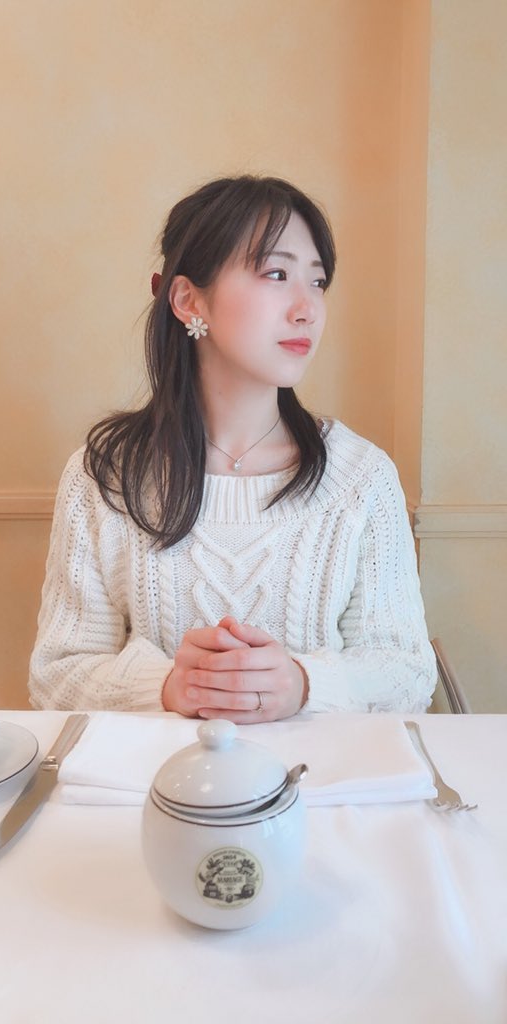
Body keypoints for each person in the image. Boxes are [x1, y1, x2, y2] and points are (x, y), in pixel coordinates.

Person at [28, 174, 437, 720]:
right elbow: (57, 675)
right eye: (276, 274)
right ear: (187, 299)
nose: (307, 309)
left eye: (318, 282)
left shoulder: (361, 477)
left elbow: (408, 672)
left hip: (319, 774)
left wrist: (303, 684)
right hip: (158, 774)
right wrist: (169, 687)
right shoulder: (103, 477)